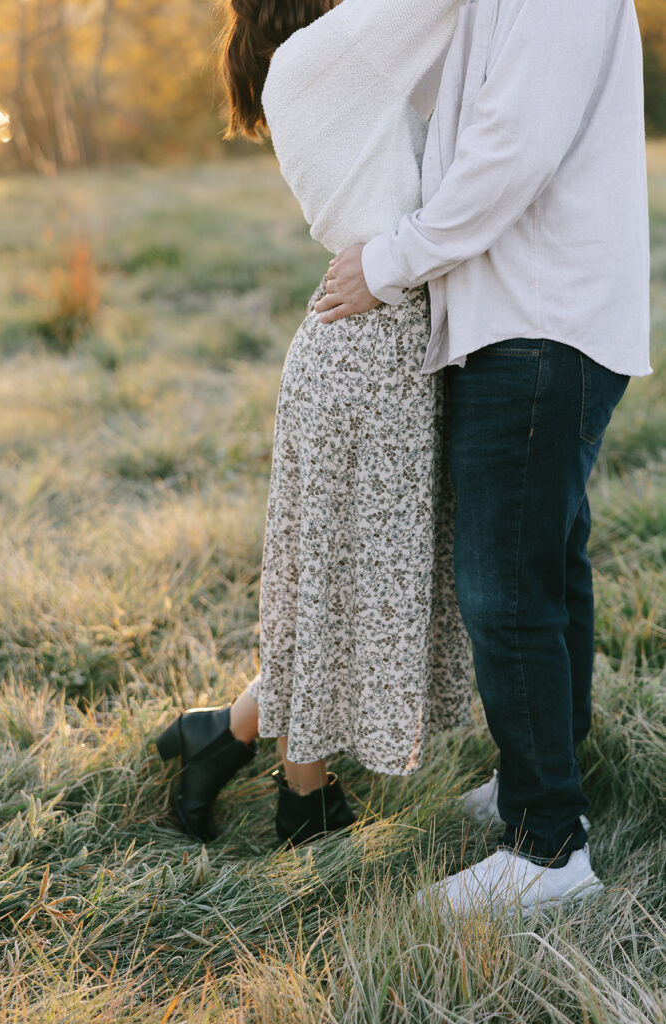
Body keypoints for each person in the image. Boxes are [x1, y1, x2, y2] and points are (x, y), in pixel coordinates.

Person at [316, 0, 651, 912]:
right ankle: (538, 779)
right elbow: (442, 103)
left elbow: (510, 151)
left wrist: (390, 260)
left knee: (502, 586)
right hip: (524, 318)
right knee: (544, 565)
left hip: (541, 321)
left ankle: (547, 849)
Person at [156, 0, 473, 847]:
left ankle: (230, 740)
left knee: (333, 582)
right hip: (373, 348)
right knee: (338, 587)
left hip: (359, 344)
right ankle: (301, 799)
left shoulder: (305, 60)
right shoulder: (335, 46)